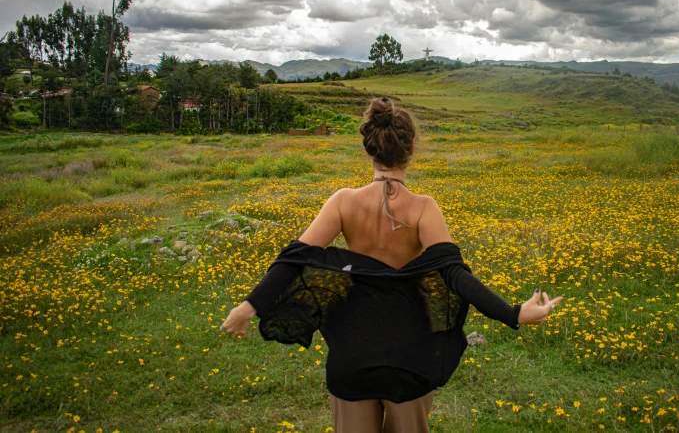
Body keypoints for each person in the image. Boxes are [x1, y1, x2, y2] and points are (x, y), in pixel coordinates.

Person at [220, 97, 563, 433]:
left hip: (351, 354)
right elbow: (454, 274)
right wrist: (514, 313)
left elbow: (293, 259)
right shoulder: (423, 208)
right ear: (412, 146)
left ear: (368, 147)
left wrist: (249, 306)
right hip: (410, 354)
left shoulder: (342, 202)